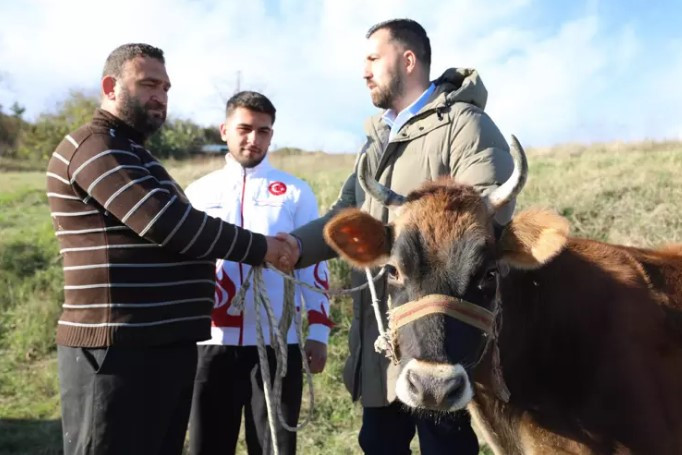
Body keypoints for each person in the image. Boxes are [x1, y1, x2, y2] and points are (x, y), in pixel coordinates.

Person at [45, 44, 296, 455]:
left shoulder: (136, 154)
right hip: (116, 352)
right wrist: (262, 248)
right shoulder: (93, 146)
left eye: (165, 87)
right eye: (148, 84)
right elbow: (169, 225)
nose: (160, 96)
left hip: (159, 349)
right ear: (111, 87)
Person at [282, 19, 516, 454]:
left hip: (443, 341)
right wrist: (294, 247)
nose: (364, 71)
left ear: (408, 60)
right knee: (378, 442)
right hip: (385, 337)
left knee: (446, 447)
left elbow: (485, 218)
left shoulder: (464, 125)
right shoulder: (375, 144)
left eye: (373, 58)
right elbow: (345, 215)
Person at [185, 91, 333, 455]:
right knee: (207, 447)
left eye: (264, 131)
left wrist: (318, 331)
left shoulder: (296, 192)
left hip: (276, 346)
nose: (254, 139)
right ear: (224, 130)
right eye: (245, 129)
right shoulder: (197, 192)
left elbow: (314, 264)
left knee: (274, 449)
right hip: (210, 344)